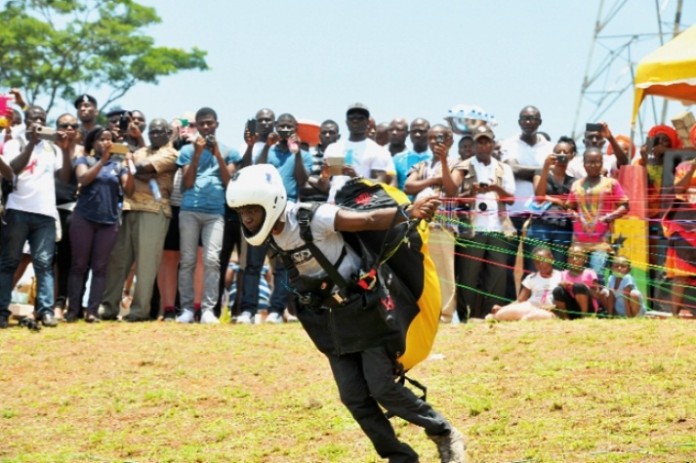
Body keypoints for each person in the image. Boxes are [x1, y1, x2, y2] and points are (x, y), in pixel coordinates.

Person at [226, 164, 466, 463]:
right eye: (241, 211)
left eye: (252, 209)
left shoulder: (312, 216)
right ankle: (400, 457)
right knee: (353, 396)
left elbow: (366, 219)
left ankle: (443, 431)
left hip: (363, 310)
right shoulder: (269, 235)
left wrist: (407, 212)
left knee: (381, 387)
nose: (246, 217)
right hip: (328, 321)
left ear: (271, 201)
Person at [99, 119, 179, 322]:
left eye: (160, 131)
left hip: (154, 210)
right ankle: (108, 308)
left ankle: (139, 311)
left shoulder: (171, 153)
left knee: (146, 264)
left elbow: (142, 168)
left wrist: (133, 167)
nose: (155, 134)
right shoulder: (142, 150)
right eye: (152, 131)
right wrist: (133, 167)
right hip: (129, 208)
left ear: (169, 133)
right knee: (118, 261)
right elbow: (127, 171)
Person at [0, 105, 72, 328]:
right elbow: (14, 169)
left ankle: (45, 311)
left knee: (44, 264)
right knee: (9, 262)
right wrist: (32, 141)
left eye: (42, 118)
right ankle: (2, 311)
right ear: (28, 121)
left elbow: (66, 177)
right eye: (34, 118)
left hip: (45, 214)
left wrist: (66, 148)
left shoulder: (53, 149)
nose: (38, 122)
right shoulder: (16, 143)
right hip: (18, 210)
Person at [237, 113, 313, 324]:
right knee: (254, 264)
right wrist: (267, 147)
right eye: (282, 126)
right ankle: (248, 310)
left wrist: (296, 153)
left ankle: (276, 310)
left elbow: (303, 180)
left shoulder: (303, 153)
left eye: (289, 126)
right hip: (261, 211)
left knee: (283, 265)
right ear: (275, 128)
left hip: (286, 212)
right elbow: (254, 170)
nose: (285, 129)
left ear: (295, 128)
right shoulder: (266, 149)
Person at [442, 124, 516, 321]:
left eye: (487, 142)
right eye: (479, 142)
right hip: (471, 229)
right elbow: (453, 196)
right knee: (468, 276)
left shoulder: (503, 168)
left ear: (493, 144)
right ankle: (466, 317)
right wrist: (472, 193)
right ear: (473, 145)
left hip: (498, 228)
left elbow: (511, 199)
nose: (483, 146)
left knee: (497, 276)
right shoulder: (463, 166)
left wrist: (494, 188)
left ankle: (490, 316)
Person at [175, 107, 240, 324]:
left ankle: (208, 310)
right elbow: (187, 183)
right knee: (188, 260)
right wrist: (197, 155)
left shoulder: (229, 151)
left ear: (216, 125)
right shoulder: (186, 150)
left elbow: (228, 182)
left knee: (213, 260)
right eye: (201, 123)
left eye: (209, 123)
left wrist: (217, 155)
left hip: (215, 212)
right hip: (190, 210)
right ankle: (186, 309)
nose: (205, 127)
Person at [67, 126, 132, 323]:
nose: (106, 142)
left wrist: (130, 165)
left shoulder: (117, 165)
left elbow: (129, 189)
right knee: (79, 265)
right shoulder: (84, 159)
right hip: (84, 218)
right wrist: (102, 161)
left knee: (100, 267)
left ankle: (92, 311)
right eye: (102, 139)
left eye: (110, 139)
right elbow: (83, 178)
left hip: (109, 221)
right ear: (93, 142)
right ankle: (73, 311)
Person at [404, 124, 457, 323]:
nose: (436, 142)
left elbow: (451, 189)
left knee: (444, 272)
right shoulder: (421, 164)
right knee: (421, 271)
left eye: (441, 138)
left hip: (443, 225)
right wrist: (435, 179)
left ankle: (444, 316)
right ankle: (424, 315)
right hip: (419, 224)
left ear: (450, 141)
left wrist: (443, 162)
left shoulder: (457, 163)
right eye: (433, 138)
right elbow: (408, 186)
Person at [565, 147, 629, 279]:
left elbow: (625, 205)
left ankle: (597, 300)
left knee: (596, 277)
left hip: (601, 242)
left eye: (597, 162)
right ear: (584, 164)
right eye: (589, 162)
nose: (593, 165)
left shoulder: (611, 183)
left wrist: (609, 217)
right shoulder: (576, 185)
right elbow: (569, 206)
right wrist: (572, 214)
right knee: (577, 277)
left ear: (602, 163)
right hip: (579, 242)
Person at [323, 103, 394, 203]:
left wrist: (356, 177)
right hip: (334, 204)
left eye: (360, 118)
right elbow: (327, 183)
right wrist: (324, 176)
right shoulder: (334, 148)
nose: (355, 120)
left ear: (367, 122)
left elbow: (380, 182)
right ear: (346, 122)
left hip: (361, 205)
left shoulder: (377, 150)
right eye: (351, 118)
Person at [525, 138, 576, 269]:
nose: (562, 154)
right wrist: (546, 167)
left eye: (566, 152)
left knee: (559, 269)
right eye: (559, 152)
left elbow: (571, 204)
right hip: (541, 225)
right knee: (536, 268)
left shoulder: (573, 181)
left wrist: (553, 199)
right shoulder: (541, 173)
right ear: (553, 154)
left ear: (572, 156)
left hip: (563, 228)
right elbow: (539, 197)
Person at [489, 246, 562, 321]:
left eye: (543, 260)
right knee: (501, 314)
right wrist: (503, 308)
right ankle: (496, 316)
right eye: (536, 262)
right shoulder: (531, 278)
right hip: (530, 307)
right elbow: (520, 300)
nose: (540, 264)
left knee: (528, 318)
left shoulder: (560, 276)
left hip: (548, 311)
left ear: (551, 259)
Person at [662, 156, 696, 317]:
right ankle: (674, 315)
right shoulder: (685, 166)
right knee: (681, 273)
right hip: (685, 223)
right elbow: (678, 189)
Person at [552, 244, 603, 319]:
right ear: (567, 260)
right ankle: (565, 317)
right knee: (557, 290)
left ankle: (584, 316)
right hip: (572, 307)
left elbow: (597, 295)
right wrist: (562, 285)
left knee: (578, 286)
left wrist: (584, 287)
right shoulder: (563, 274)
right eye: (571, 257)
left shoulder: (589, 273)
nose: (574, 259)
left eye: (578, 257)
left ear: (585, 259)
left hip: (588, 308)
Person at [299, 119, 340, 202]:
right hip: (307, 202)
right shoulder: (308, 154)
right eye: (324, 132)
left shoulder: (340, 155)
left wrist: (310, 180)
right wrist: (320, 184)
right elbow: (302, 183)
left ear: (338, 136)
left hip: (331, 204)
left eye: (331, 132)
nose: (327, 135)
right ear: (319, 136)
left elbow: (333, 188)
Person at [393, 118, 431, 192]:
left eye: (421, 131)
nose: (417, 134)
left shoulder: (437, 159)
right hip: (405, 202)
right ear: (409, 134)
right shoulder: (397, 159)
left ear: (430, 133)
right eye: (414, 131)